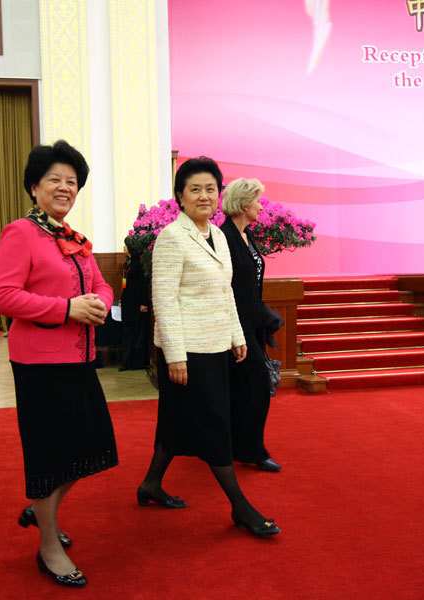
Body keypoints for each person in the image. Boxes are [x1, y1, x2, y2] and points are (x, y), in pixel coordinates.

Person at [0, 140, 117, 588]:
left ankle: (40, 511)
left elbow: (102, 286)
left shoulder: (75, 240)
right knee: (50, 457)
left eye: (72, 182)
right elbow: (0, 296)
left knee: (92, 448)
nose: (65, 188)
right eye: (55, 181)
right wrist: (66, 309)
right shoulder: (20, 232)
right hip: (40, 364)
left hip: (79, 359)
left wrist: (98, 302)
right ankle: (48, 546)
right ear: (34, 187)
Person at [138, 157, 280, 537]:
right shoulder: (171, 237)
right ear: (180, 197)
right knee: (216, 426)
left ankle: (151, 484)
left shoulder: (216, 235)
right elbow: (164, 300)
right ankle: (241, 507)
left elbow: (226, 293)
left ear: (219, 195)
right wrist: (175, 355)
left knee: (175, 422)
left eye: (210, 189)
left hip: (217, 345)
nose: (204, 195)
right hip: (188, 351)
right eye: (195, 189)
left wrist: (236, 336)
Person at [220, 178, 281, 472]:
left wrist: (264, 316)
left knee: (243, 390)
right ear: (244, 204)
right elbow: (226, 289)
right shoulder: (224, 238)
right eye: (257, 200)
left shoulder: (246, 235)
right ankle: (252, 449)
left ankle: (236, 446)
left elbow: (251, 286)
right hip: (234, 329)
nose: (260, 206)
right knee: (257, 386)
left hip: (251, 326)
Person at [118, 241, 151, 370]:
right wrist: (122, 297)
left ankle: (137, 362)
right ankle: (126, 362)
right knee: (127, 332)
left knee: (137, 332)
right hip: (128, 302)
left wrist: (143, 302)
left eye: (125, 245)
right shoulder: (127, 263)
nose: (123, 247)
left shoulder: (139, 264)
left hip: (137, 303)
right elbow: (124, 283)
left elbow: (143, 284)